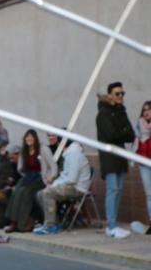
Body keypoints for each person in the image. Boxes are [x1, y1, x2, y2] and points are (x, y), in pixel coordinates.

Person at [96, 82, 135, 239]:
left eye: (122, 94)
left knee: (118, 191)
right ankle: (111, 227)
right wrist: (122, 131)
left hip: (120, 156)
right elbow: (110, 135)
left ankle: (114, 224)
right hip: (109, 157)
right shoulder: (103, 114)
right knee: (112, 190)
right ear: (110, 95)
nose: (120, 96)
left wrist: (121, 131)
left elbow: (131, 134)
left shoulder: (121, 112)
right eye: (117, 94)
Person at [34, 139, 91, 235]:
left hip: (77, 188)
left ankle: (50, 226)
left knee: (48, 193)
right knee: (40, 194)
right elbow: (65, 175)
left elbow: (72, 179)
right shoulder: (70, 154)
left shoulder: (74, 155)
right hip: (71, 186)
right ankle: (54, 222)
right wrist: (54, 184)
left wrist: (55, 185)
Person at [5, 129, 57, 233]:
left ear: (35, 138)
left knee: (26, 192)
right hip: (28, 176)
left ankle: (22, 224)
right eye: (27, 137)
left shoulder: (43, 149)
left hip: (40, 177)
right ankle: (13, 222)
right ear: (25, 139)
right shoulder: (24, 150)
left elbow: (53, 166)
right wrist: (24, 175)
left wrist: (51, 177)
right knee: (16, 192)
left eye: (31, 137)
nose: (29, 139)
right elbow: (20, 167)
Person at [133, 101, 151, 234]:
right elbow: (136, 141)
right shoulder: (139, 126)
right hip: (144, 162)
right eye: (144, 109)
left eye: (149, 109)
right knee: (149, 194)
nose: (146, 112)